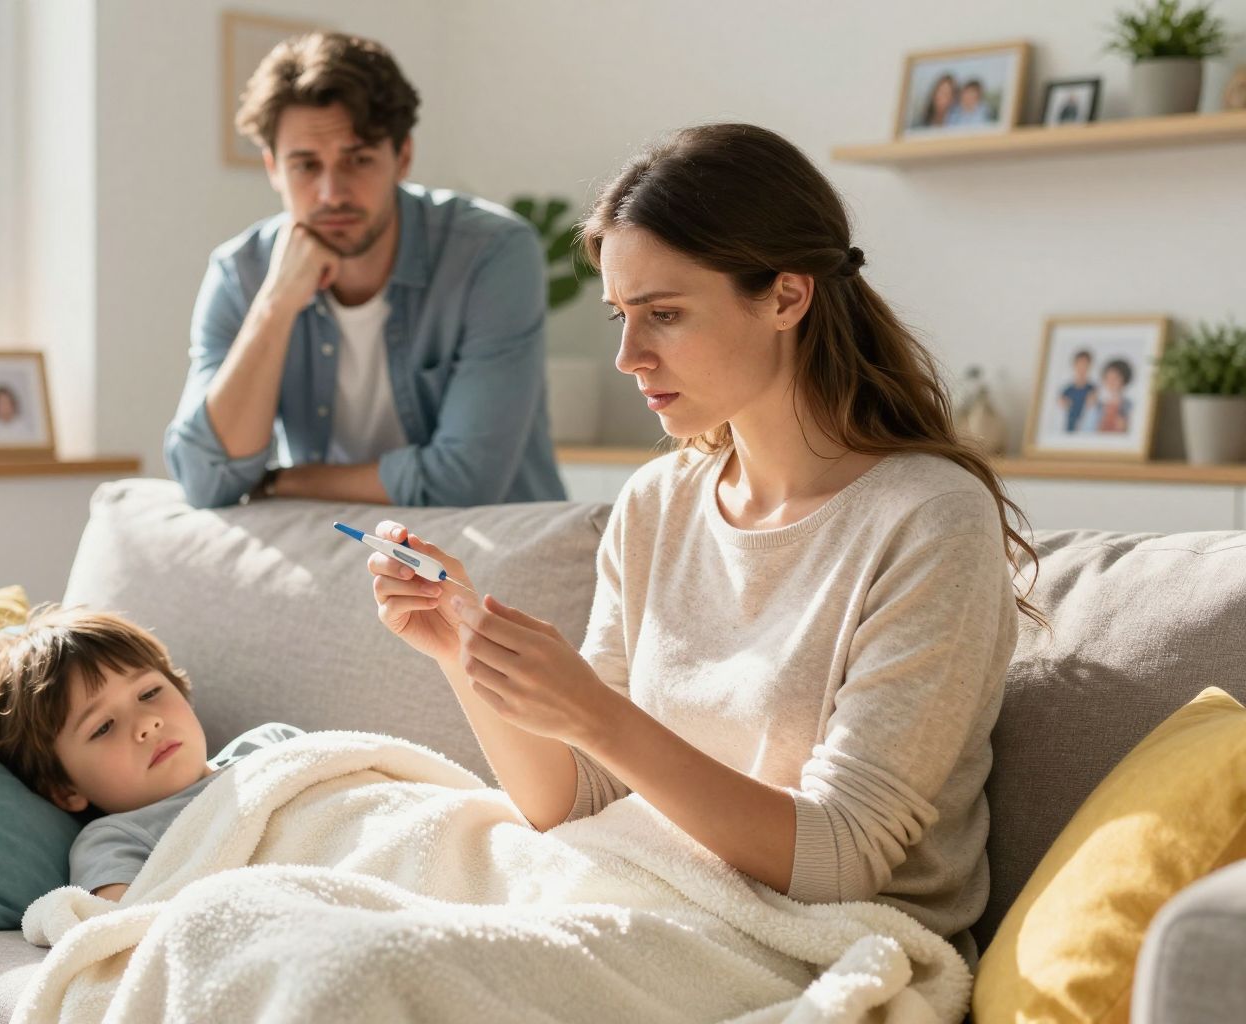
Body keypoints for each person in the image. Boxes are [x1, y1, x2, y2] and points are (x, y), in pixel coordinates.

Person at [360, 123, 1043, 965]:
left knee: (366, 975)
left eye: (666, 315)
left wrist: (595, 714)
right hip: (639, 899)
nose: (627, 355)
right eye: (622, 315)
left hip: (812, 944)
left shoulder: (930, 519)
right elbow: (577, 803)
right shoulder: (658, 503)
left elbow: (843, 856)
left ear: (788, 297)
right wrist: (460, 649)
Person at [165, 31, 565, 509]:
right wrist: (275, 305)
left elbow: (464, 481)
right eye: (305, 165)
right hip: (341, 552)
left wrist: (278, 482)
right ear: (273, 168)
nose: (332, 192)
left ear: (403, 157)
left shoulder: (491, 253)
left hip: (490, 557)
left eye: (357, 160)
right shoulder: (241, 273)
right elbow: (205, 479)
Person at [0, 606, 302, 902]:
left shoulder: (273, 743)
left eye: (149, 693)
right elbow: (124, 933)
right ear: (65, 790)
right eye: (103, 727)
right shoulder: (115, 839)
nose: (147, 724)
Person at [1058, 349, 1096, 432]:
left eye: (1085, 365)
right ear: (1074, 365)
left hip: (1086, 431)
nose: (1082, 368)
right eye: (1080, 364)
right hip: (1068, 430)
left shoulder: (1093, 389)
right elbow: (1061, 410)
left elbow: (1093, 411)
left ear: (1090, 366)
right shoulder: (1066, 390)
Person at [1095, 358, 1134, 433]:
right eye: (1108, 378)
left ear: (1124, 380)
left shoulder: (1129, 405)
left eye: (1115, 378)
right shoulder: (1099, 405)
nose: (1111, 382)